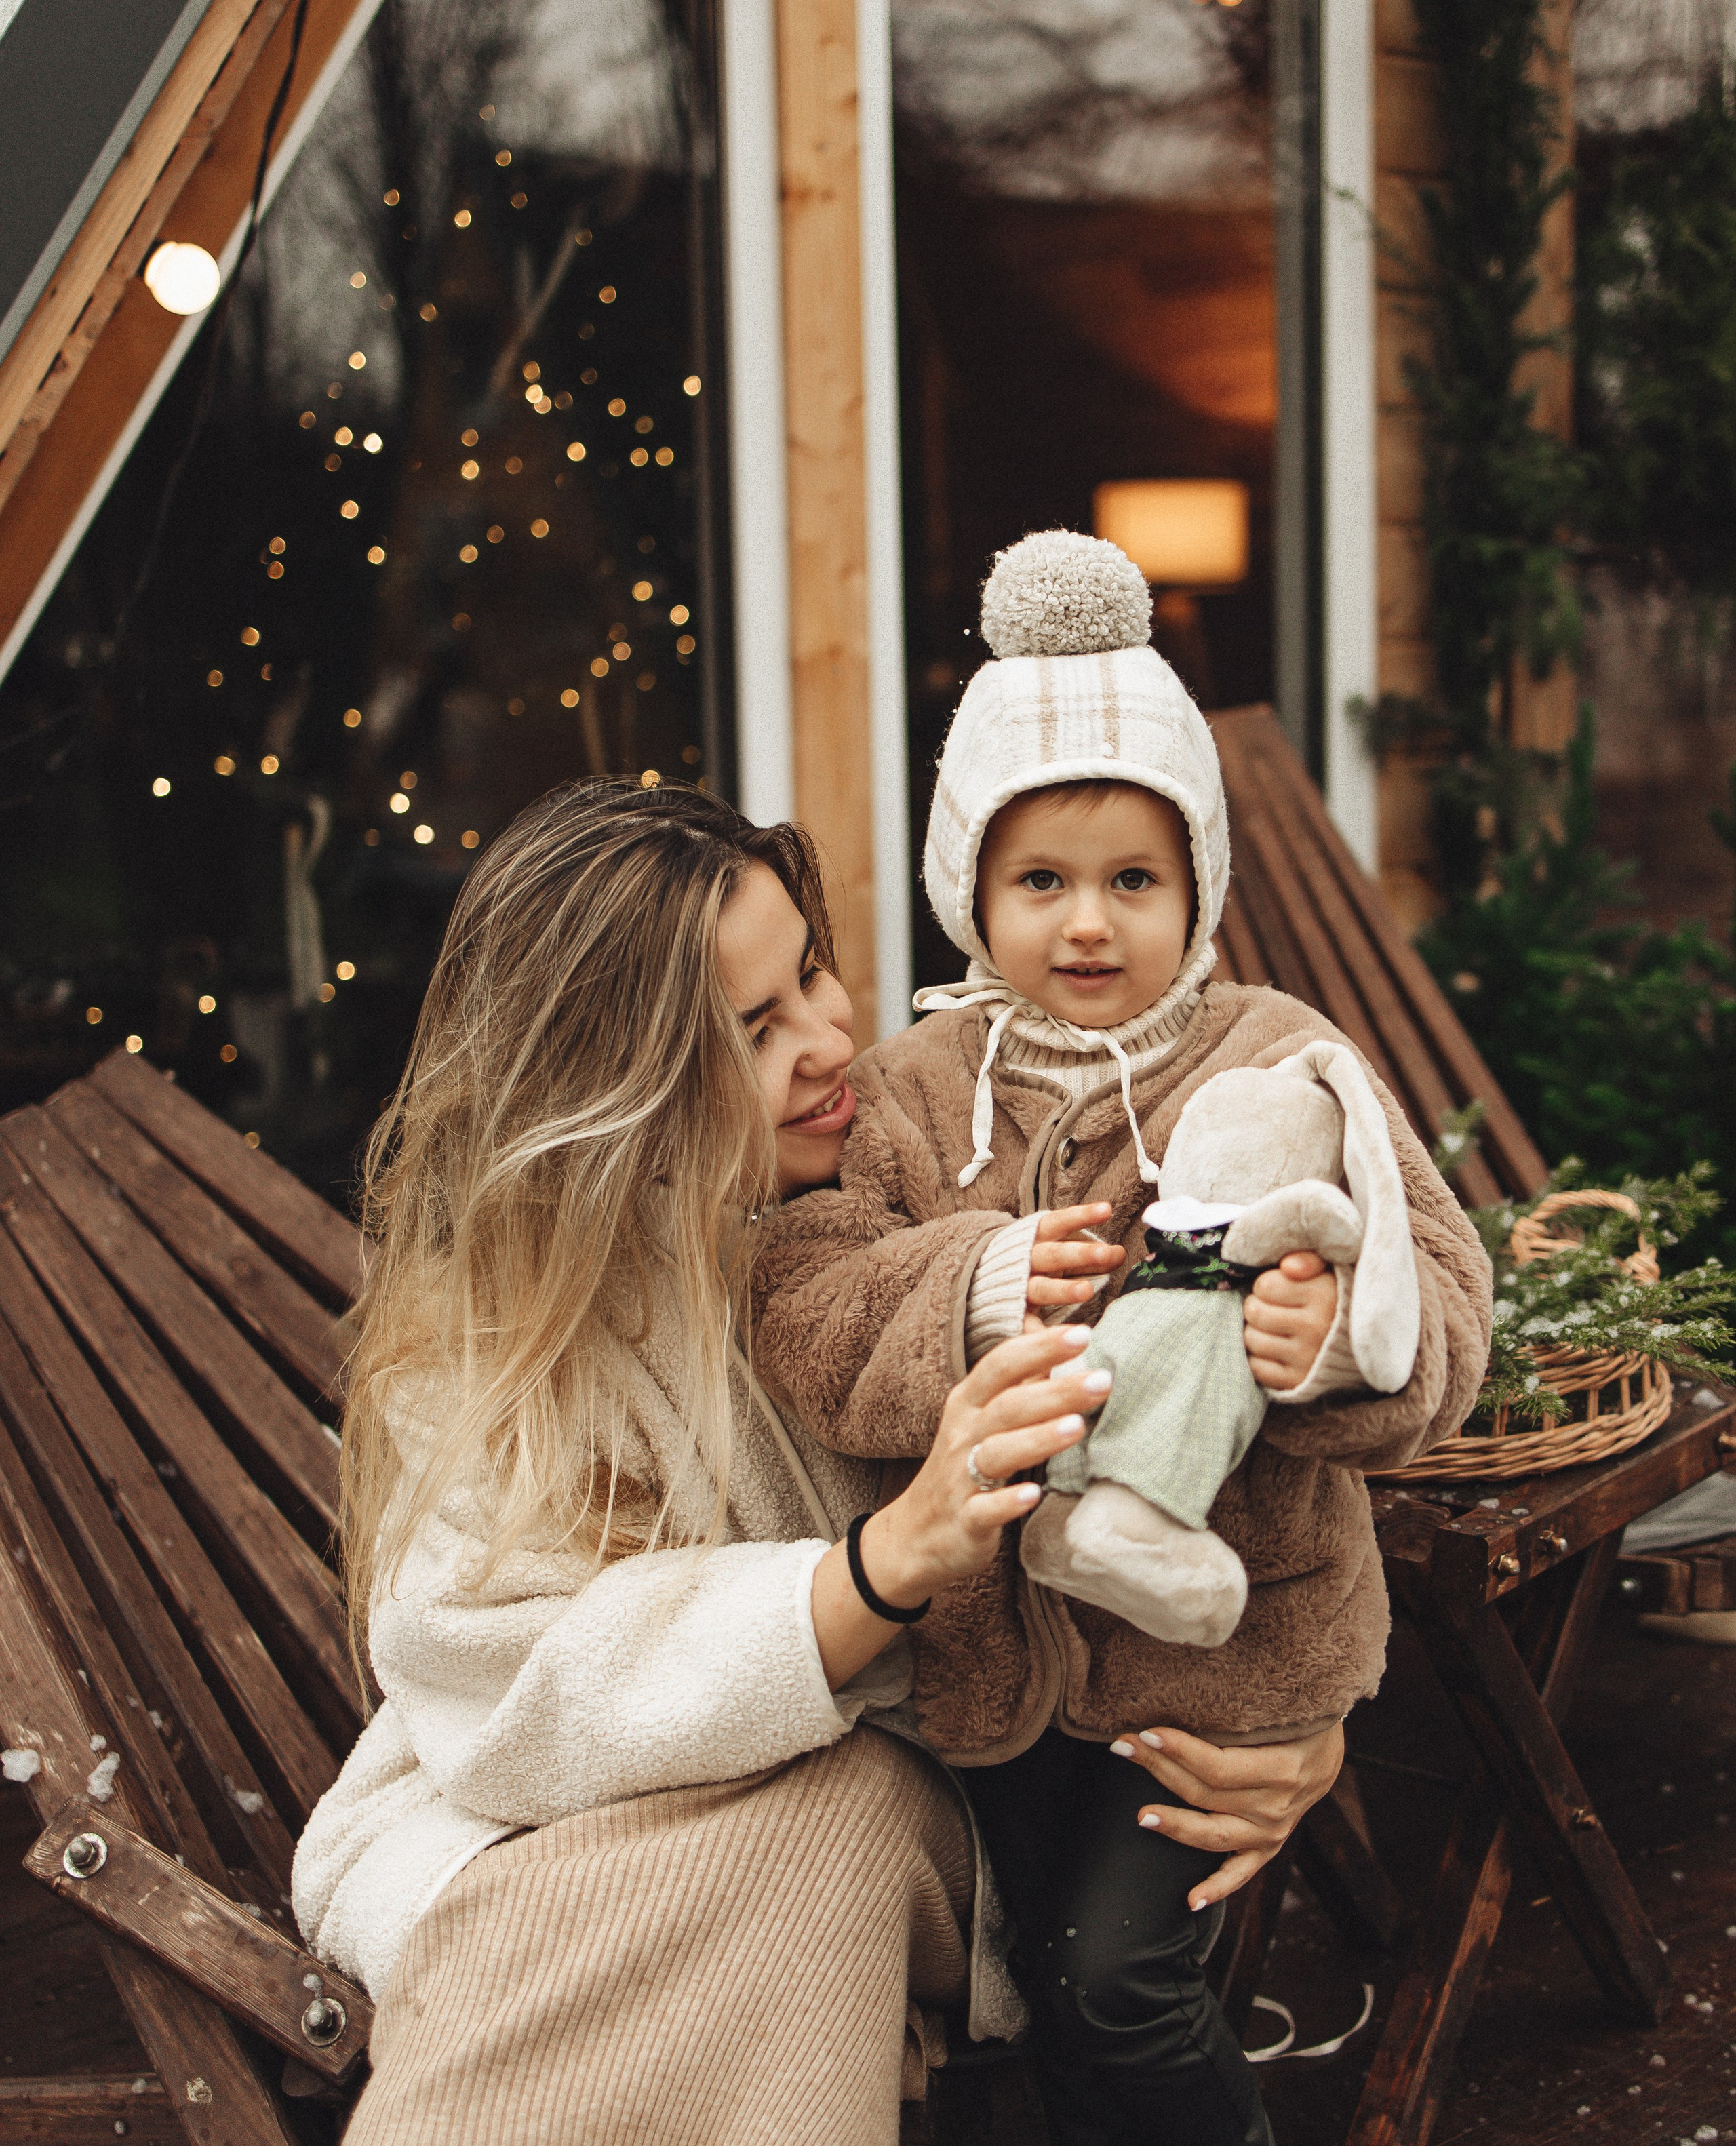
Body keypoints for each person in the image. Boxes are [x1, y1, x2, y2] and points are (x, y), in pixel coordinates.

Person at [753, 531, 1494, 2146]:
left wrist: (1342, 1342)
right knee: (1031, 1986)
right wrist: (966, 1282)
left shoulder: (1277, 1052)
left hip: (1221, 1652)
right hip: (991, 1657)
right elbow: (803, 1300)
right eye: (1040, 881)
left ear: (1195, 884)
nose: (1086, 925)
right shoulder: (906, 1092)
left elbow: (1439, 1269)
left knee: (1109, 1977)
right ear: (972, 887)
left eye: (1132, 880)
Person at [293, 780, 1122, 2144]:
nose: (829, 1038)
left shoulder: (934, 1187)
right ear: (606, 1089)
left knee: (822, 1825)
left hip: (909, 1796)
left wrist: (1271, 1725)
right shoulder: (505, 1324)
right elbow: (476, 1658)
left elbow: (1191, 1466)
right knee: (759, 1861)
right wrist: (870, 1571)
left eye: (811, 971)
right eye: (753, 1027)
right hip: (587, 1841)